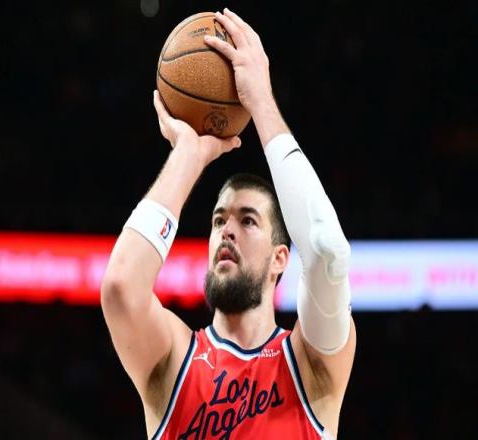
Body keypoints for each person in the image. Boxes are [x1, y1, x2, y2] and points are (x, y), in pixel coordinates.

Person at [101, 8, 355, 440]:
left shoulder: (311, 366)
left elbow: (325, 249)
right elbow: (121, 288)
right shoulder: (173, 360)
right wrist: (188, 154)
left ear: (280, 259)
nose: (227, 230)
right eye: (218, 220)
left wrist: (261, 103)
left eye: (248, 220)